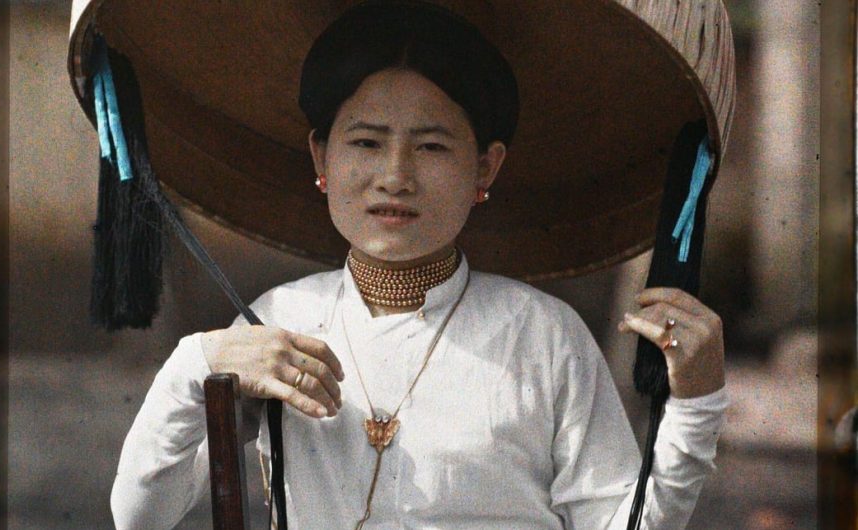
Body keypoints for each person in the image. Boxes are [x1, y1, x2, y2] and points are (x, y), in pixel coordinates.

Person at [110, 2, 728, 529]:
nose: (395, 177)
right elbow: (140, 515)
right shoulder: (276, 322)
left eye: (431, 146)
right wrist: (199, 364)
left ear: (485, 168)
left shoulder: (545, 336)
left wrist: (696, 403)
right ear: (321, 157)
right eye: (366, 142)